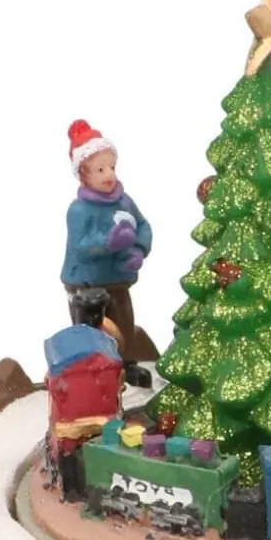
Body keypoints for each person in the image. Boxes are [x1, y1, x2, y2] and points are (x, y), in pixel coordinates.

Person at [61, 120, 159, 364]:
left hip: (118, 281)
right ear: (83, 174)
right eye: (100, 169)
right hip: (86, 286)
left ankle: (128, 365)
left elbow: (143, 225)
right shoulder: (79, 210)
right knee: (93, 333)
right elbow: (81, 247)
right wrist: (109, 242)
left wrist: (139, 249)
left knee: (123, 325)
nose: (110, 175)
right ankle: (92, 372)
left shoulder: (124, 201)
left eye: (112, 167)